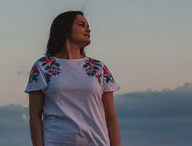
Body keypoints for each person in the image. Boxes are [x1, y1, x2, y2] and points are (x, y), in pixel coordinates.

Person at [25, 11, 121, 146]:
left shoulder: (98, 68)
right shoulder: (42, 67)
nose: (88, 29)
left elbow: (110, 116)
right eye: (82, 25)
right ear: (65, 29)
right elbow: (34, 116)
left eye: (88, 26)